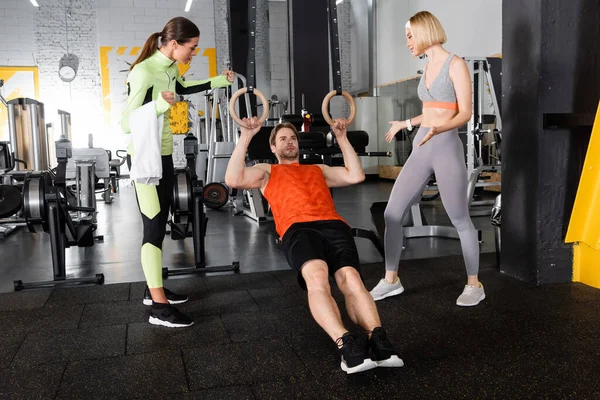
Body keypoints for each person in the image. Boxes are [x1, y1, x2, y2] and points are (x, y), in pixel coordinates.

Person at [225, 117, 403, 374]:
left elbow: (356, 175)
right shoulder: (267, 171)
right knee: (318, 278)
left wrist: (342, 138)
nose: (289, 142)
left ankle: (377, 339)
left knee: (351, 279)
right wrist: (246, 137)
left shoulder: (317, 169)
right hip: (298, 229)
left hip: (333, 225)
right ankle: (346, 344)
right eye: (283, 139)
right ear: (273, 147)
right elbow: (233, 178)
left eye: (293, 138)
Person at [121, 16, 234, 328]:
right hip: (145, 159)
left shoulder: (170, 68)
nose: (193, 53)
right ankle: (159, 308)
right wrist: (158, 107)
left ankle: (152, 288)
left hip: (165, 155)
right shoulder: (143, 71)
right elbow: (126, 123)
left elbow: (183, 86)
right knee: (154, 226)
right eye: (192, 48)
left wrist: (218, 82)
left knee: (163, 218)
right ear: (174, 44)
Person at [369, 11, 485, 307]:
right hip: (422, 145)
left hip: (445, 145)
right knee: (392, 214)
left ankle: (474, 284)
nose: (407, 42)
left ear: (424, 31)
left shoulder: (455, 64)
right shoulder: (427, 67)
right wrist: (406, 124)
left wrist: (439, 128)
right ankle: (391, 280)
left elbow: (464, 113)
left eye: (409, 35)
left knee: (459, 218)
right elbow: (432, 110)